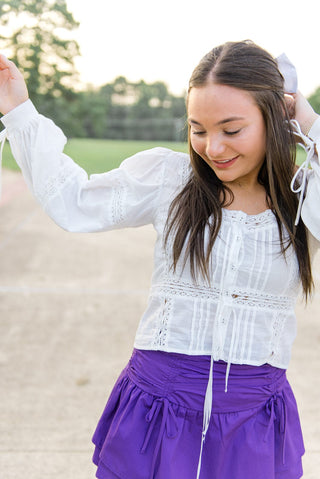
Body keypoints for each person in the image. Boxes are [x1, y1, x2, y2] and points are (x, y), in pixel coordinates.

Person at [0, 40, 319, 479]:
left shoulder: (303, 198)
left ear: (274, 119)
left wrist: (309, 121)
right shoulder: (169, 180)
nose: (212, 147)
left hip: (255, 420)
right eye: (198, 129)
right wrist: (18, 109)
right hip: (156, 409)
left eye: (231, 129)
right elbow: (73, 201)